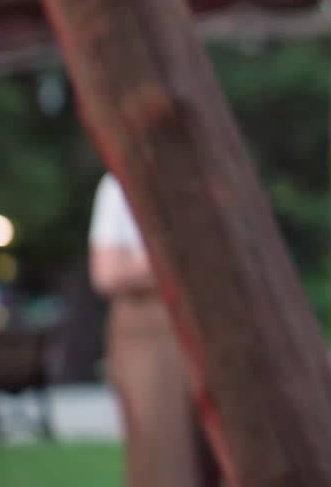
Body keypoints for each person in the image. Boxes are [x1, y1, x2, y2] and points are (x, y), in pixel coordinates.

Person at [89, 173, 220, 487]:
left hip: (210, 326)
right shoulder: (122, 185)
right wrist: (180, 259)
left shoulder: (206, 179)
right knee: (164, 456)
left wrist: (146, 261)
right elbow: (107, 272)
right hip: (150, 332)